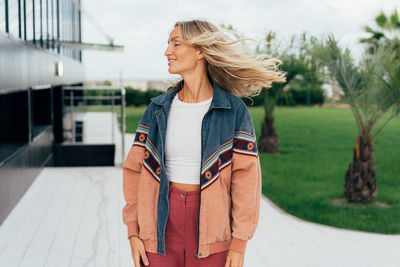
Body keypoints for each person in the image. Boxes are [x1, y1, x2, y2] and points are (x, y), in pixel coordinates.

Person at [122, 19, 286, 267]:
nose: (167, 51)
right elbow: (134, 170)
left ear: (200, 51)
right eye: (168, 44)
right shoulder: (157, 110)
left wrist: (239, 243)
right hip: (159, 229)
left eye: (176, 43)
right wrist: (133, 232)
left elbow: (246, 180)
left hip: (213, 233)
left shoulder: (233, 112)